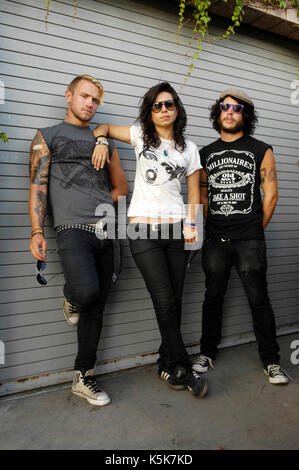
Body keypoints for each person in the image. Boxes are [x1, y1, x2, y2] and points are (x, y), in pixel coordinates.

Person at [91, 82, 208, 398]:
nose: (164, 110)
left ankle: (165, 364)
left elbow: (195, 191)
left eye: (169, 104)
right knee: (165, 300)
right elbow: (101, 126)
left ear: (177, 109)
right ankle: (181, 365)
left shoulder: (190, 149)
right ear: (150, 111)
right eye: (157, 105)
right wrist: (101, 140)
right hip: (143, 231)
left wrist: (192, 225)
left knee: (175, 301)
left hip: (177, 231)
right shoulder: (139, 134)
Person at [29, 74, 128, 406]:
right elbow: (38, 187)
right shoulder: (47, 136)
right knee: (86, 292)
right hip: (71, 229)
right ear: (68, 95)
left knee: (97, 306)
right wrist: (37, 230)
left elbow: (121, 188)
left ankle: (83, 377)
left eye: (95, 100)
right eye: (85, 96)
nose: (90, 104)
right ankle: (71, 297)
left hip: (107, 230)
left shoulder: (106, 141)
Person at [193, 88, 289, 385]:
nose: (230, 111)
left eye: (237, 108)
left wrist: (254, 230)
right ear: (218, 113)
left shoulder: (261, 149)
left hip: (250, 239)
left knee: (259, 299)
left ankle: (271, 361)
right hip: (215, 239)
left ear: (245, 115)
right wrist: (210, 225)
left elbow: (270, 195)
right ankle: (207, 352)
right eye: (225, 107)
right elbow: (202, 195)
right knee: (212, 297)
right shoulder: (205, 154)